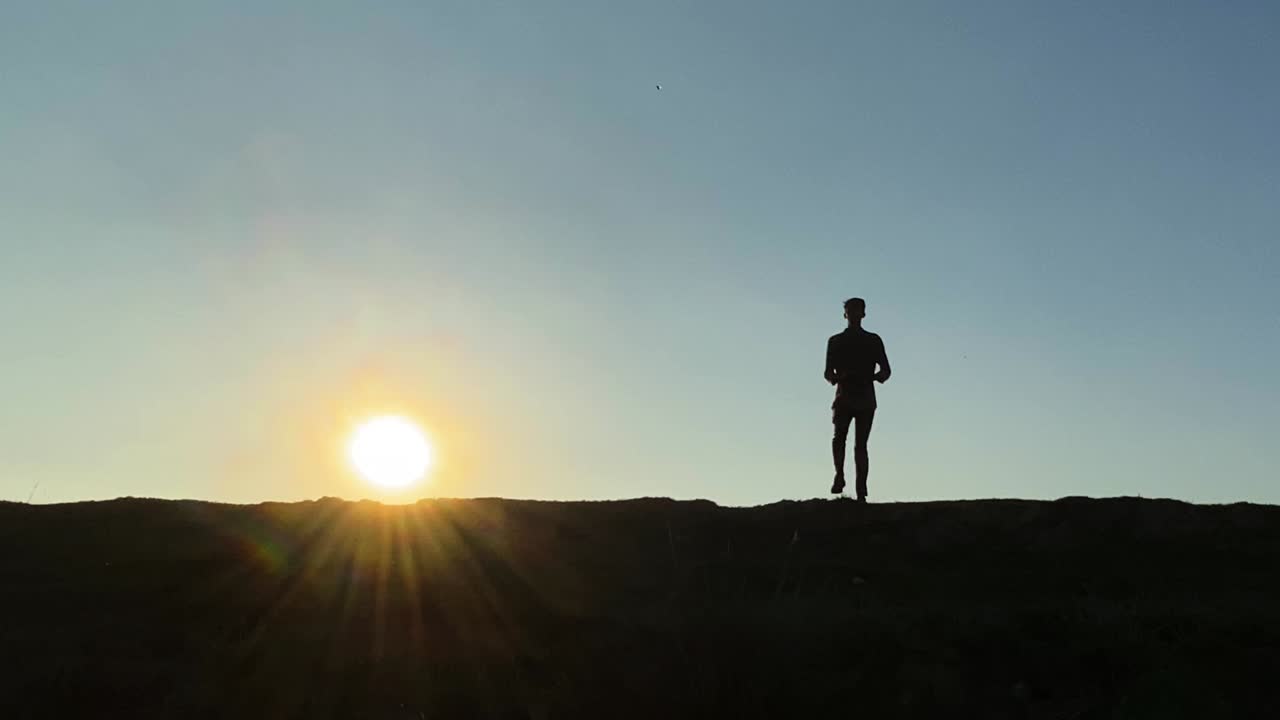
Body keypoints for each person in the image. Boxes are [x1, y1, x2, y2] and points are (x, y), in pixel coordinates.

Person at [824, 297, 891, 500]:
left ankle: (860, 489)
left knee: (857, 444)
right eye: (851, 310)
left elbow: (886, 371)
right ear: (847, 314)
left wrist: (874, 377)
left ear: (862, 313)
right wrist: (839, 378)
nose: (853, 314)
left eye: (856, 310)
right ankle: (841, 477)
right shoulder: (835, 341)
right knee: (844, 440)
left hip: (862, 397)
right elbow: (828, 373)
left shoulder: (872, 340)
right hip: (847, 396)